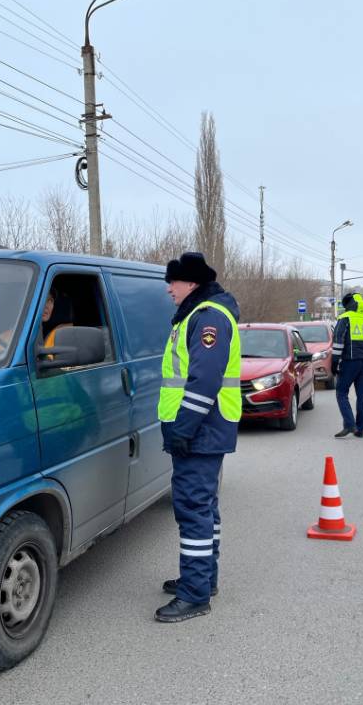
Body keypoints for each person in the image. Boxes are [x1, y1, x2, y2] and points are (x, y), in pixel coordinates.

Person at [156, 252, 241, 624]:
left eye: (172, 283)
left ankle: (195, 595)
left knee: (193, 509)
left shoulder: (208, 318)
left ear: (190, 283)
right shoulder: (197, 314)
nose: (168, 290)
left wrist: (182, 430)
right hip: (202, 430)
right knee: (204, 507)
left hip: (200, 431)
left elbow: (203, 383)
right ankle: (203, 580)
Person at [332, 293, 363, 438]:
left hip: (349, 361)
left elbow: (338, 342)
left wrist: (334, 362)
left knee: (341, 392)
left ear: (348, 305)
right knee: (362, 396)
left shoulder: (345, 318)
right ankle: (360, 429)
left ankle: (349, 424)